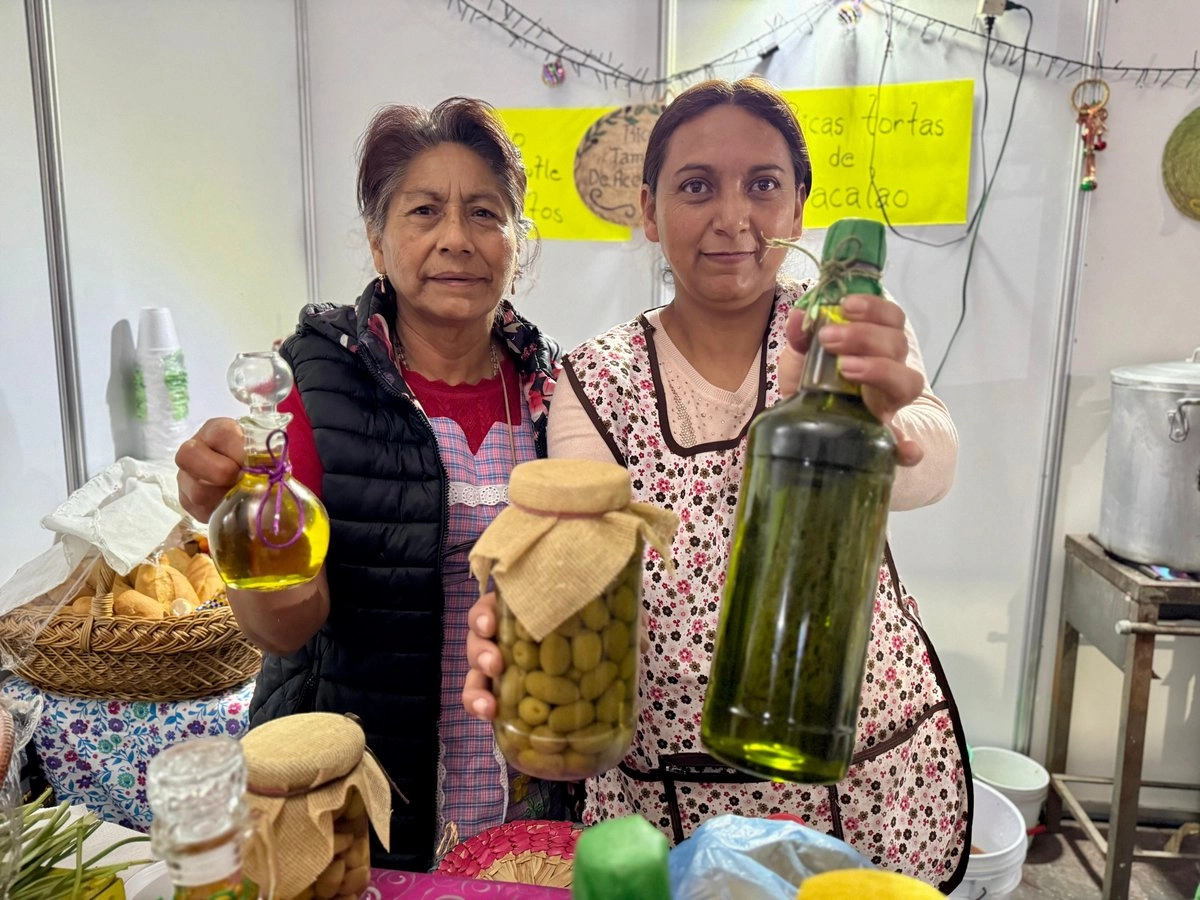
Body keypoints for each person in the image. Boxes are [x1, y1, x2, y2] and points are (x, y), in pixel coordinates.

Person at [463, 76, 971, 891]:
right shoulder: (599, 376)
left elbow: (932, 456)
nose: (733, 218)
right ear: (649, 211)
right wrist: (539, 636)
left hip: (857, 771)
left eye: (762, 185)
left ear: (799, 208)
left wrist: (881, 420)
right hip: (671, 788)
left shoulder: (841, 333)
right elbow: (582, 557)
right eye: (696, 186)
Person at [175, 98, 568, 872]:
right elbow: (284, 629)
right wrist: (244, 529)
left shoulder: (555, 387)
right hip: (364, 781)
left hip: (529, 778)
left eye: (485, 213)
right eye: (425, 211)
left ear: (517, 243)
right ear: (377, 242)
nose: (456, 238)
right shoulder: (317, 385)